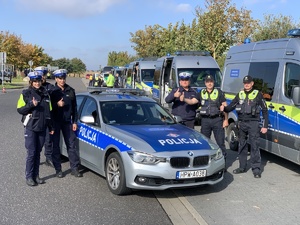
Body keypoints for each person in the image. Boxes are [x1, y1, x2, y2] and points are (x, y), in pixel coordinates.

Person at [220, 75, 268, 178]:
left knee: (254, 145)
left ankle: (256, 169)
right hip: (241, 123)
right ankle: (242, 167)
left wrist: (265, 125)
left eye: (248, 82)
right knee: (242, 145)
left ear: (252, 83)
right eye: (245, 83)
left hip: (253, 123)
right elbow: (230, 107)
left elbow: (265, 110)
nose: (246, 84)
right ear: (243, 84)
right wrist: (223, 108)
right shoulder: (240, 94)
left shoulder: (257, 94)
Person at [17, 71, 54, 186]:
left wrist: (50, 126)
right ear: (31, 82)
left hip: (42, 128)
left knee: (38, 153)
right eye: (35, 81)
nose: (37, 83)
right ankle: (29, 176)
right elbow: (20, 110)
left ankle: (36, 176)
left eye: (39, 81)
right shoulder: (26, 93)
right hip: (31, 127)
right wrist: (31, 105)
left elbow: (49, 112)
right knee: (32, 153)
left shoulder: (46, 94)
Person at [184, 75, 228, 158]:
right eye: (208, 82)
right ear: (205, 83)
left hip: (217, 120)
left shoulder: (219, 92)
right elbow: (192, 101)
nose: (209, 83)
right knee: (205, 142)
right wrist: (184, 99)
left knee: (220, 142)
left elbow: (225, 106)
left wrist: (226, 120)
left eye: (211, 81)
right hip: (205, 121)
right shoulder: (201, 92)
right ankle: (206, 161)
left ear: (213, 82)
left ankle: (223, 163)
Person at [51, 69, 82, 178]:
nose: (62, 80)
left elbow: (74, 108)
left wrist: (74, 121)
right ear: (56, 79)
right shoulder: (52, 91)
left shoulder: (70, 90)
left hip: (67, 122)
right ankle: (58, 169)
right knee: (55, 146)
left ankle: (74, 168)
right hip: (55, 121)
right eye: (60, 78)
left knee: (71, 145)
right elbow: (48, 108)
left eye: (63, 78)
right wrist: (56, 104)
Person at [34, 66, 55, 167]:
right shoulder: (33, 88)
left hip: (47, 118)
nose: (42, 77)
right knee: (37, 141)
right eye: (40, 75)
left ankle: (48, 158)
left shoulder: (49, 87)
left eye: (44, 75)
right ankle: (35, 158)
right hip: (36, 120)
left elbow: (55, 94)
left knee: (48, 139)